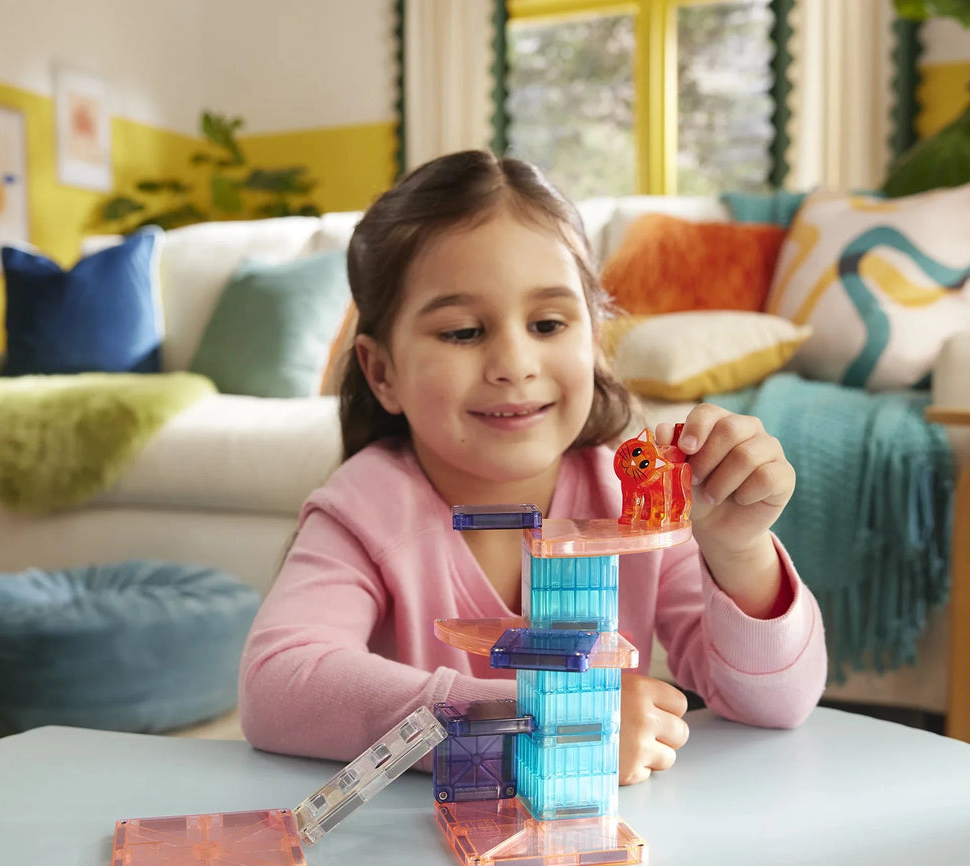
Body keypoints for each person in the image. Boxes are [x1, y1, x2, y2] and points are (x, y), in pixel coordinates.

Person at [239, 150, 827, 785]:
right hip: (412, 860)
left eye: (548, 323)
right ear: (382, 373)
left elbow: (777, 705)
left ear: (595, 340)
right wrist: (535, 721)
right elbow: (278, 685)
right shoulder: (366, 507)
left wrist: (739, 550)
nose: (514, 363)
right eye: (463, 332)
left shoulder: (635, 504)